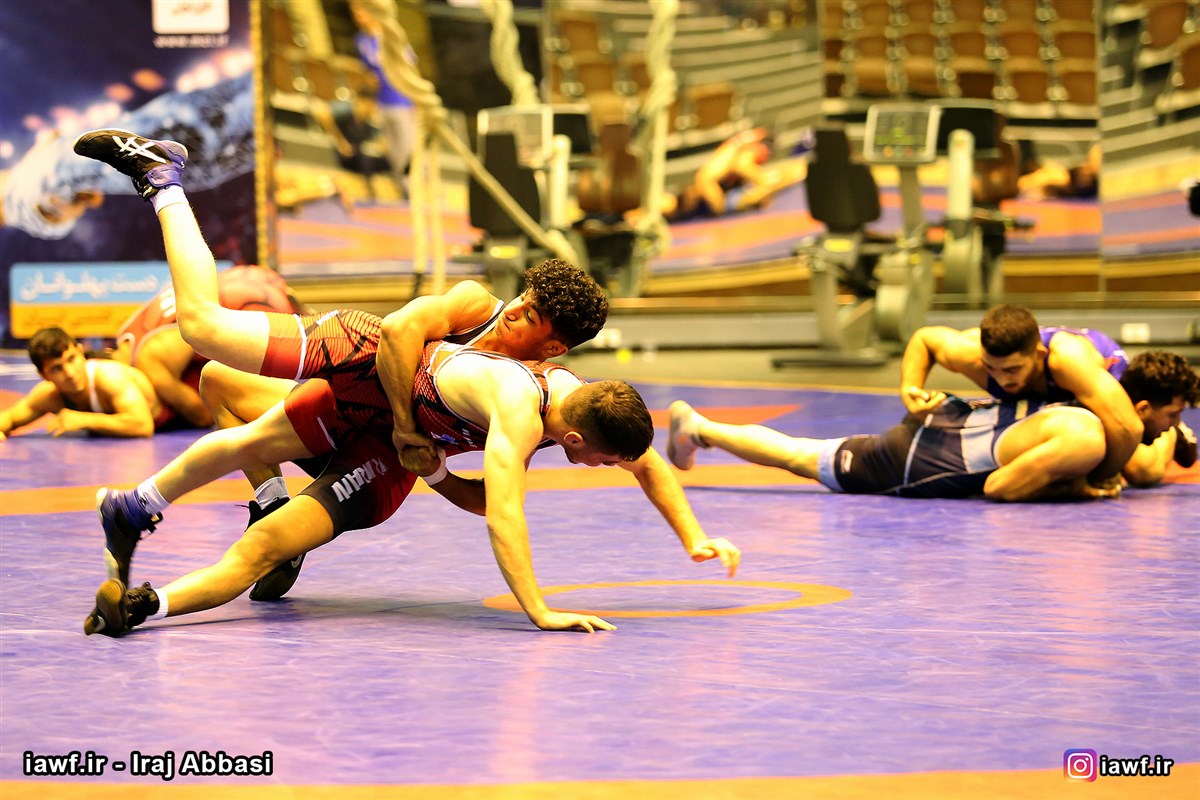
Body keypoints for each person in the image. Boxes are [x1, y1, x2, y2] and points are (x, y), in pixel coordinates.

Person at [73, 127, 738, 635]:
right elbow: (397, 336)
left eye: (530, 316)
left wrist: (693, 536)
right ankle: (163, 179)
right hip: (367, 364)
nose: (514, 311)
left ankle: (146, 581)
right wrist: (537, 609)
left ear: (553, 347)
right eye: (523, 300)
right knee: (209, 347)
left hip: (390, 447)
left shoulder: (571, 402)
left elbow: (641, 463)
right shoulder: (492, 337)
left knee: (263, 538)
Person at [666, 350, 1198, 501]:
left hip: (953, 421)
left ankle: (703, 429)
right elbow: (999, 487)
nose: (1172, 427)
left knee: (807, 452)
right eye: (1172, 417)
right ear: (1140, 410)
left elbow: (1143, 464)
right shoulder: (1087, 437)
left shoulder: (1080, 396)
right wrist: (1077, 489)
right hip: (922, 460)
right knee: (802, 457)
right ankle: (702, 428)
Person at [899, 304, 1142, 484]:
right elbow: (925, 340)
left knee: (1143, 469)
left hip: (1104, 379)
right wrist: (910, 388)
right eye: (991, 368)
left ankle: (1166, 441)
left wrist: (1097, 477)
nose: (1001, 379)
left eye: (1012, 369)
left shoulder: (1067, 361)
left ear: (1039, 355)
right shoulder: (972, 355)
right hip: (1054, 396)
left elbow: (1128, 428)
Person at [110, 265, 303, 429]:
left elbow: (202, 416)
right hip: (252, 279)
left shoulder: (150, 362)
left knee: (226, 393)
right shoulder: (127, 332)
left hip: (257, 304)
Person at [0, 327, 164, 440]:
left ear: (81, 352)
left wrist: (84, 420)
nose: (70, 373)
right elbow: (10, 418)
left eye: (71, 359)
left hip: (173, 415)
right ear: (44, 376)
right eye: (57, 368)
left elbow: (143, 425)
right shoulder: (49, 396)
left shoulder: (108, 376)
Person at [659, 127, 809, 222]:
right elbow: (741, 166)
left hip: (707, 196)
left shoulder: (736, 147)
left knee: (669, 206)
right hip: (710, 195)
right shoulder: (751, 148)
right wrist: (761, 179)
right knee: (784, 176)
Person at [349, 0, 416, 200]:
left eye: (361, 11)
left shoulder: (390, 36)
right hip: (383, 102)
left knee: (410, 148)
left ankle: (422, 189)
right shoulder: (361, 40)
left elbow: (411, 67)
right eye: (355, 12)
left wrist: (416, 100)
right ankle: (405, 190)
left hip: (402, 100)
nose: (358, 16)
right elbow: (368, 73)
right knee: (393, 152)